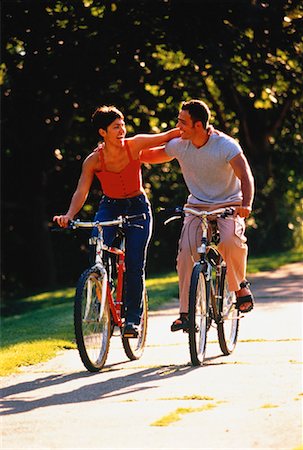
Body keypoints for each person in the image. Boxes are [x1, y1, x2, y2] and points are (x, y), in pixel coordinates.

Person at [53, 105, 180, 337]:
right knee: (96, 248)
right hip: (109, 207)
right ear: (103, 132)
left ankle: (132, 320)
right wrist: (69, 215)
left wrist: (191, 130)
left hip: (138, 208)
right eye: (115, 127)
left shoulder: (135, 144)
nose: (122, 130)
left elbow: (167, 136)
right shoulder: (94, 160)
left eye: (122, 125)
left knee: (134, 263)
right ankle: (104, 296)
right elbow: (81, 191)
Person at [141, 99, 255, 331]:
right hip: (197, 206)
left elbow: (245, 175)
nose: (177, 126)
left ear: (199, 125)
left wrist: (246, 204)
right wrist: (123, 150)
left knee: (230, 240)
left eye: (183, 122)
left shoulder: (225, 145)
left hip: (229, 203)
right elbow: (151, 155)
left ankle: (239, 285)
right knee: (185, 254)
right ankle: (185, 313)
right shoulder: (180, 144)